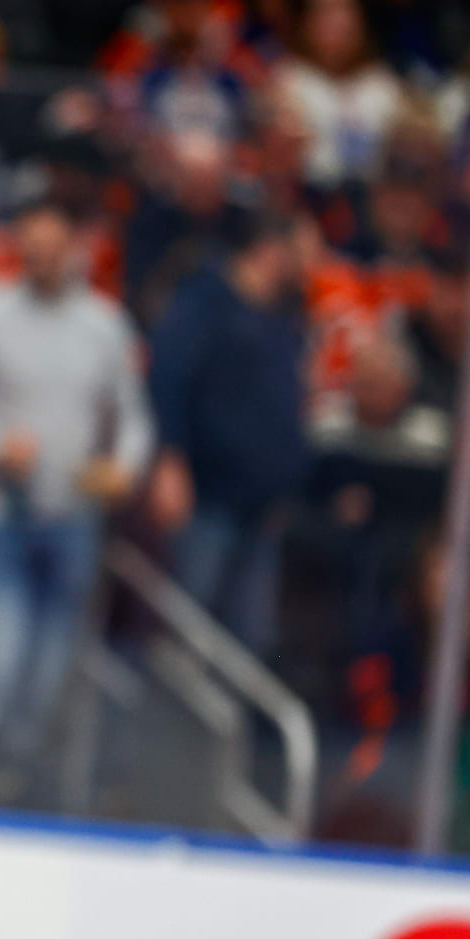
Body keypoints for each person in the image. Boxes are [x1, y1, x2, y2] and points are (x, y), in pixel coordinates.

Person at [0, 195, 152, 794]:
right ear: (18, 249)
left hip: (71, 514)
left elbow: (132, 417)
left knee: (48, 675)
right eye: (35, 250)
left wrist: (122, 467)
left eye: (56, 250)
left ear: (76, 250)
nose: (46, 261)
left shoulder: (104, 325)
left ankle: (10, 779)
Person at [147, 215, 310, 657]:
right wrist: (170, 459)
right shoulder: (205, 301)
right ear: (273, 247)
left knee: (249, 640)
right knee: (188, 627)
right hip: (206, 497)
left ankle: (227, 729)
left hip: (260, 506)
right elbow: (168, 379)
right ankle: (170, 726)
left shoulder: (283, 313)